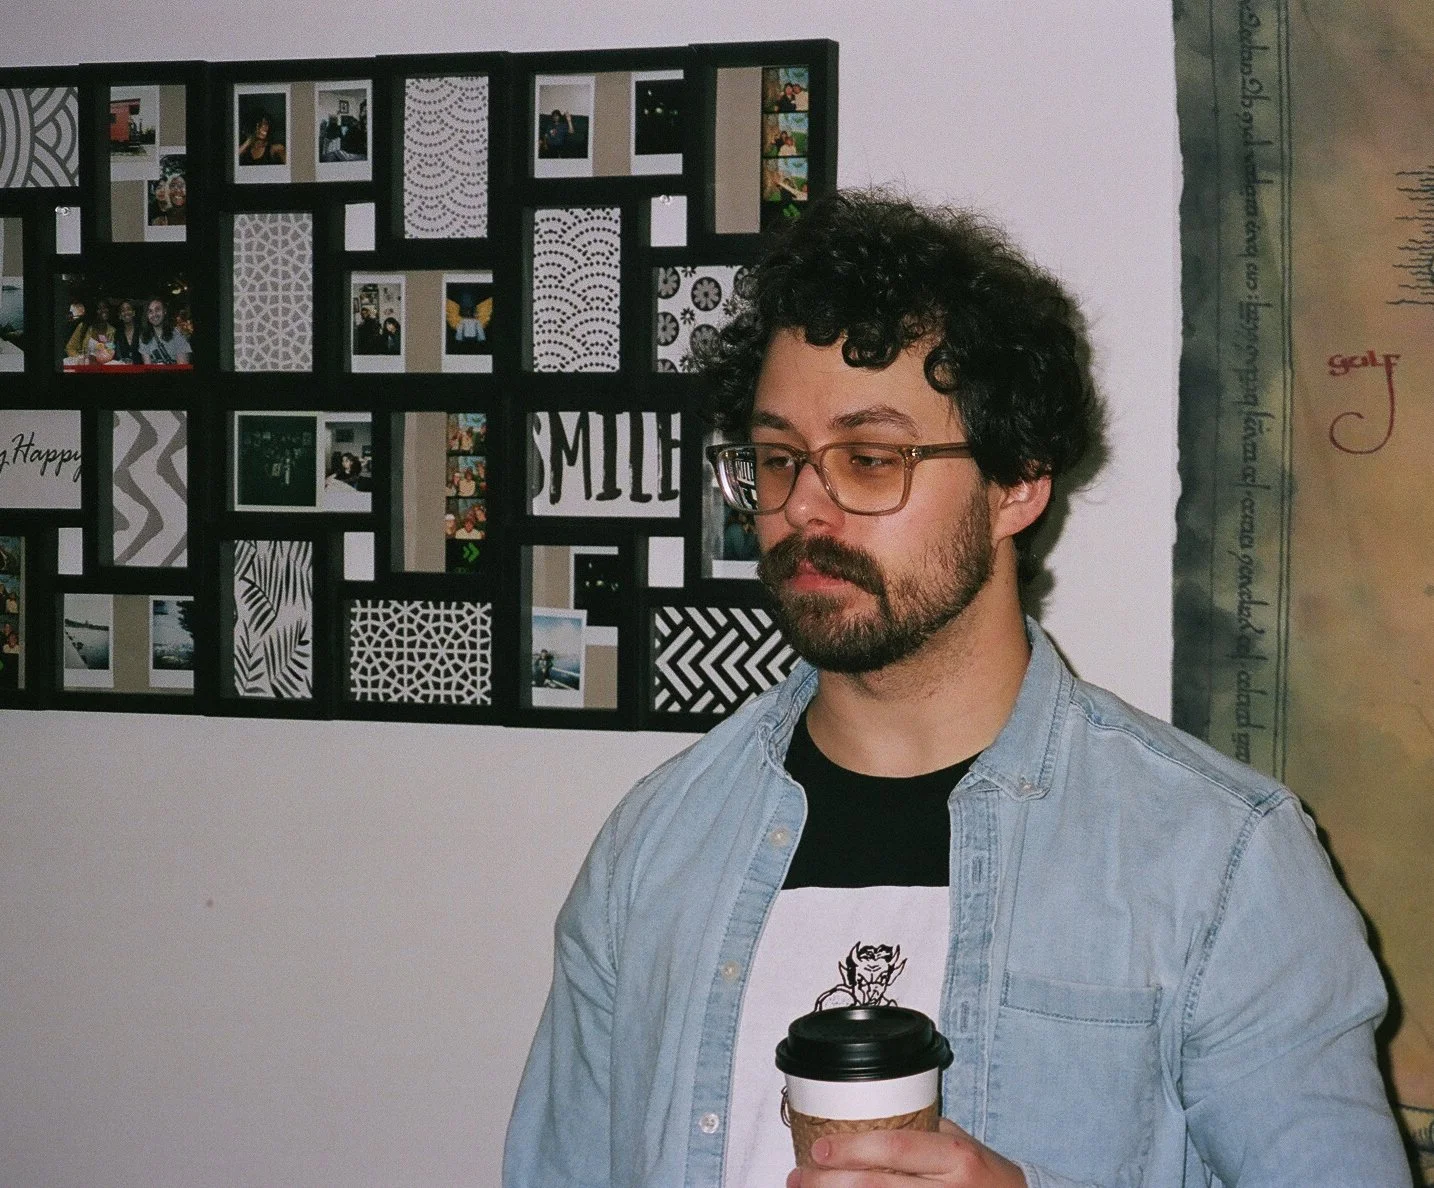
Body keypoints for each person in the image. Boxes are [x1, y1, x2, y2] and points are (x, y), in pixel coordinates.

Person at [503, 191, 1411, 1188]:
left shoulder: (1218, 863)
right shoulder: (657, 847)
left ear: (1017, 481)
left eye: (870, 457)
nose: (803, 504)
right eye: (775, 459)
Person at [138, 297, 191, 366]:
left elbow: (182, 368)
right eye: (150, 311)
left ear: (165, 311)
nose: (154, 314)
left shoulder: (177, 335)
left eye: (157, 309)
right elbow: (148, 367)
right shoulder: (144, 337)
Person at [112, 299, 143, 363]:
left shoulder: (142, 331)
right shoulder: (117, 334)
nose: (126, 312)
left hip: (141, 370)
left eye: (128, 309)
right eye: (123, 311)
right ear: (120, 315)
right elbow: (117, 355)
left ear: (134, 312)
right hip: (123, 370)